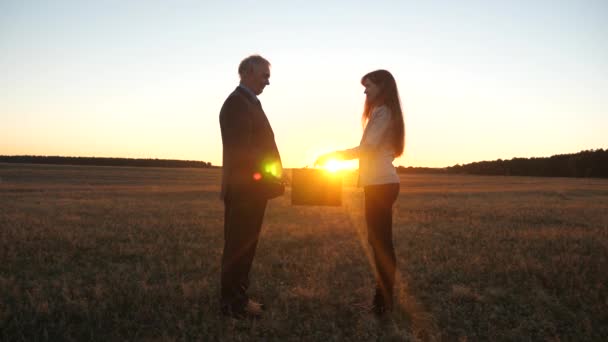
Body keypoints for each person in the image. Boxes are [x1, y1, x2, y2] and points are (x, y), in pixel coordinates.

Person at [315, 69, 405, 316]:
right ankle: (382, 302)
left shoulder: (383, 111)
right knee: (378, 243)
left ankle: (383, 303)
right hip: (378, 184)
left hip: (381, 185)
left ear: (382, 86)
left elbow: (366, 149)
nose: (365, 91)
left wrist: (332, 156)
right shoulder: (382, 111)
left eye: (368, 86)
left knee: (381, 244)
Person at [219, 55, 283, 319]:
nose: (268, 82)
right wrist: (267, 176)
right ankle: (233, 305)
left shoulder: (250, 103)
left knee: (245, 246)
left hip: (252, 190)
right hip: (246, 190)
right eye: (264, 76)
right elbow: (244, 153)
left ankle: (238, 298)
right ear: (246, 72)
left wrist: (276, 175)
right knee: (238, 248)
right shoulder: (237, 104)